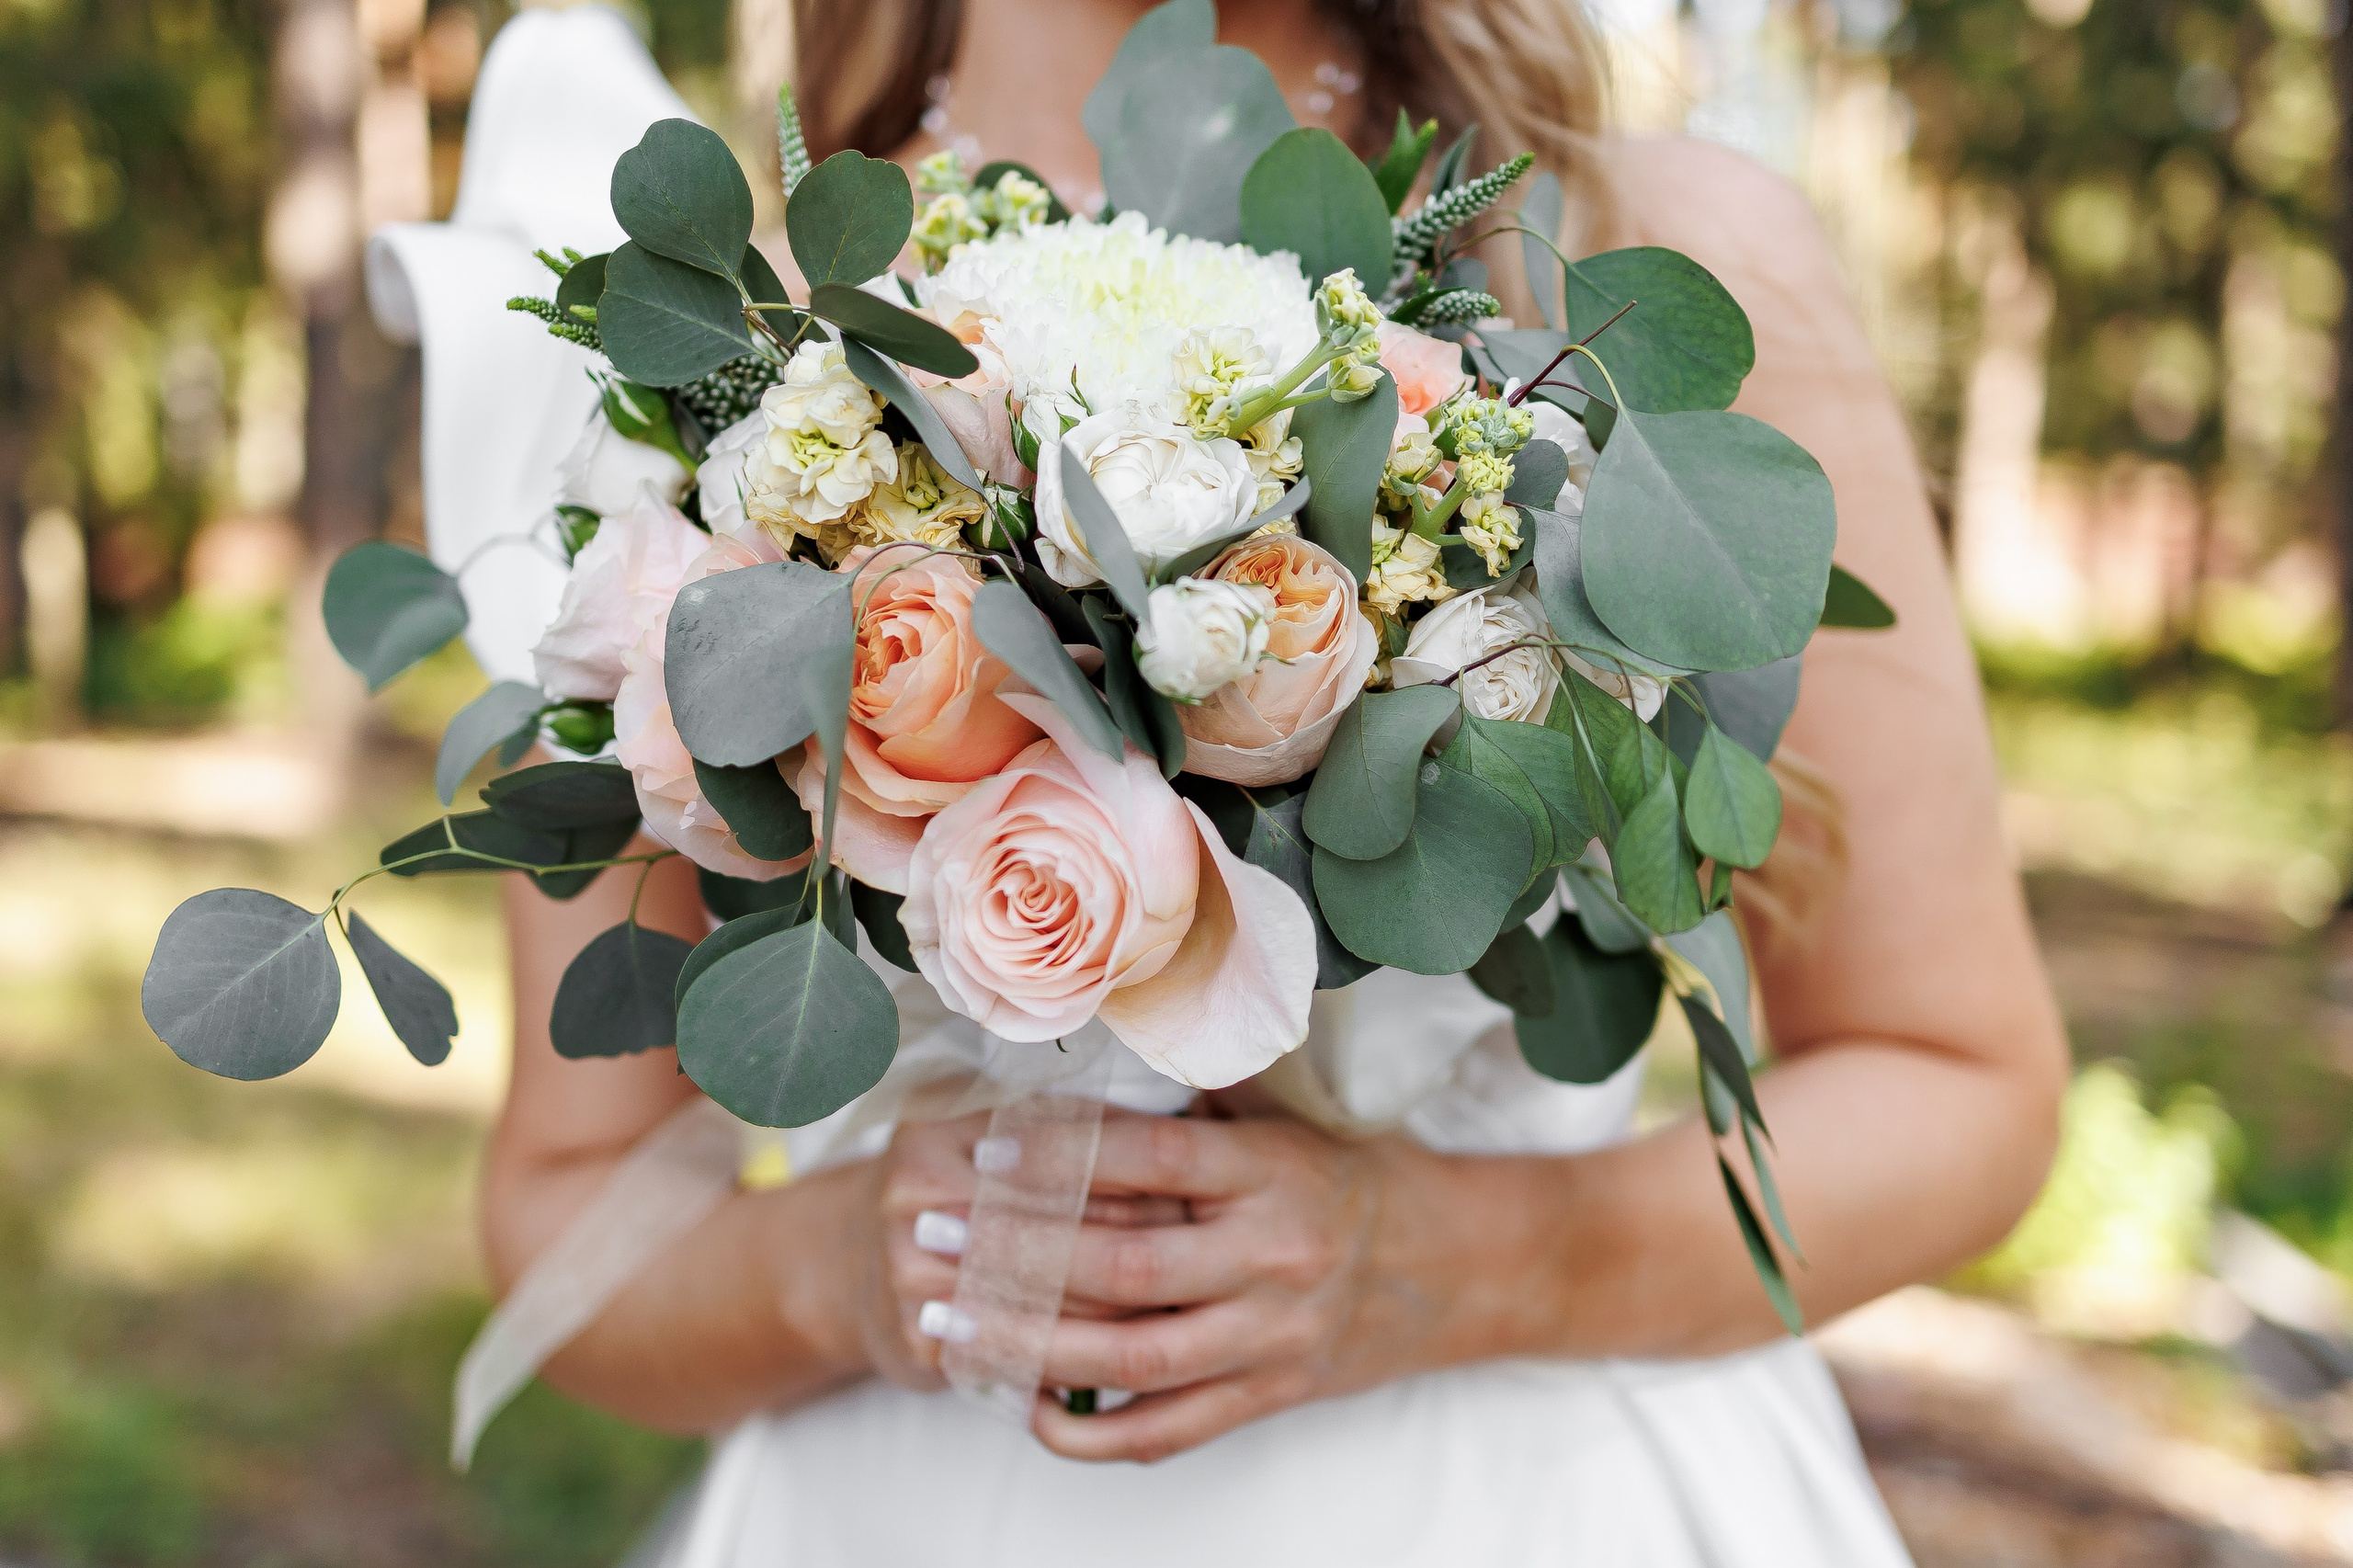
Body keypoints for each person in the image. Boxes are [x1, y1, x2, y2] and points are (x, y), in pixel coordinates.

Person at [407, 2, 2068, 1561]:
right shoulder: (710, 340)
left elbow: (1962, 1084)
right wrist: (854, 1272)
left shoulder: (1641, 274)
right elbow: (564, 1211)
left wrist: (1466, 1265)